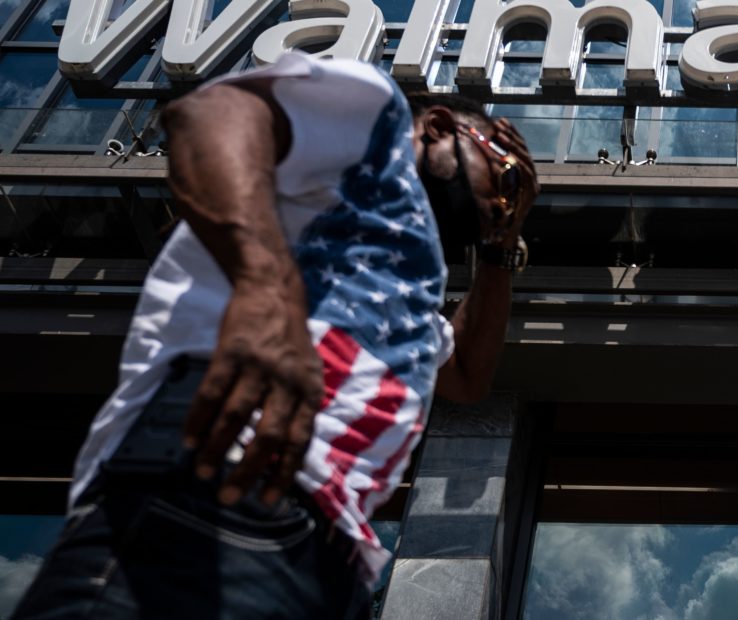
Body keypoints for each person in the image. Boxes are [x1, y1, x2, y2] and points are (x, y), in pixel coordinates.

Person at [12, 51, 537, 620]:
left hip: (331, 563)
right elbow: (211, 114)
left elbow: (465, 377)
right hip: (228, 481)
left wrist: (500, 244)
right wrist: (265, 289)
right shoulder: (375, 119)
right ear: (438, 127)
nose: (503, 201)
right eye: (503, 174)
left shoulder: (405, 291)